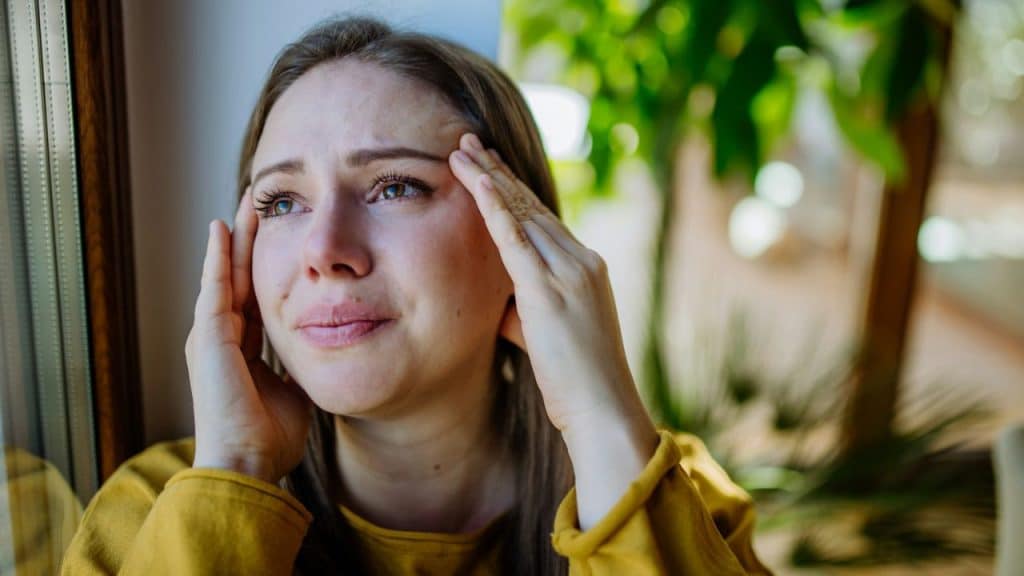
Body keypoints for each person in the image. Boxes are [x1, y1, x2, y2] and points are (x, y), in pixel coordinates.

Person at [61, 16, 772, 575]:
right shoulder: (152, 510)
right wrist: (238, 470)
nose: (323, 252)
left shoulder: (678, 501)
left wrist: (602, 420)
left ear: (520, 234)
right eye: (281, 202)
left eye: (394, 186)